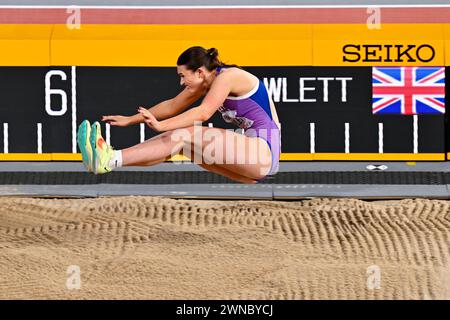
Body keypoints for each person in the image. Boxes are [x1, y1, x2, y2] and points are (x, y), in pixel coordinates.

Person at [77, 46, 281, 184]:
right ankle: (111, 160)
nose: (182, 82)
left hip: (264, 152)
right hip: (253, 157)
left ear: (200, 72)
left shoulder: (228, 77)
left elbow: (203, 113)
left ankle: (109, 158)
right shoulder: (205, 82)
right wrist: (131, 119)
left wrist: (161, 126)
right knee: (184, 147)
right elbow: (172, 106)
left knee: (188, 134)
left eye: (183, 76)